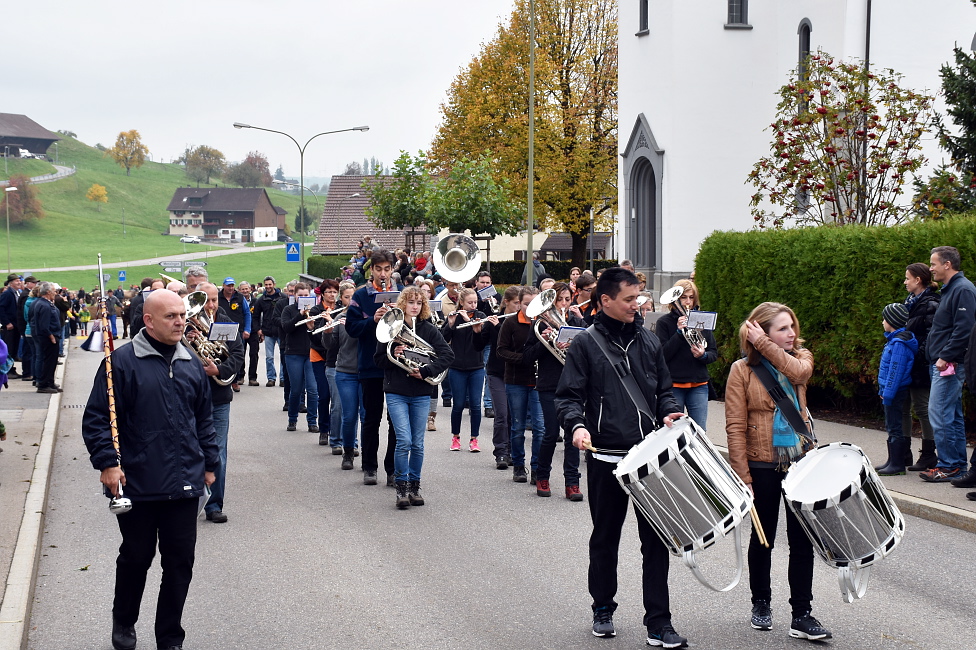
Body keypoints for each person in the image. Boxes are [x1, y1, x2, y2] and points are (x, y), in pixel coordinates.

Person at [555, 267, 688, 647]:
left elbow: (664, 390)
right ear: (605, 301)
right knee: (605, 537)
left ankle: (659, 622)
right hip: (605, 457)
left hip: (648, 457)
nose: (638, 305)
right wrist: (578, 426)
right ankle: (602, 608)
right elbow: (567, 397)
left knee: (656, 542)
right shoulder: (584, 344)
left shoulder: (648, 342)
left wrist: (669, 410)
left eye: (639, 298)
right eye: (629, 299)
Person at [81, 289, 218, 650]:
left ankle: (169, 637)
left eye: (181, 315)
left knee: (179, 565)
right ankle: (124, 621)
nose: (180, 321)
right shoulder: (120, 363)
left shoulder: (190, 361)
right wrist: (108, 463)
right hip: (137, 481)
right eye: (171, 316)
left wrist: (210, 463)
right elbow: (97, 420)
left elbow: (204, 418)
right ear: (148, 321)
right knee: (136, 558)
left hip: (185, 482)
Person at [725, 302, 831, 642]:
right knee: (763, 538)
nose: (792, 333)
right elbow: (735, 426)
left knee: (803, 542)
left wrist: (766, 345)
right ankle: (761, 603)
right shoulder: (741, 371)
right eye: (783, 328)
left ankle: (802, 614)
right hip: (761, 463)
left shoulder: (802, 358)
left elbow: (798, 374)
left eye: (792, 326)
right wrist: (742, 475)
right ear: (762, 333)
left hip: (800, 461)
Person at [375, 286, 453, 508]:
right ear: (403, 304)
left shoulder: (428, 329)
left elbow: (448, 355)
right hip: (396, 391)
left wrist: (426, 371)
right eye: (411, 302)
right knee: (404, 441)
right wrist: (394, 355)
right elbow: (378, 361)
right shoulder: (390, 328)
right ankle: (401, 488)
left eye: (419, 303)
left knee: (417, 443)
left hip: (420, 392)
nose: (415, 306)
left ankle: (414, 486)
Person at [921, 246, 976, 483]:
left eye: (933, 264)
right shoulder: (952, 289)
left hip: (949, 363)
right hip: (945, 362)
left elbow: (965, 328)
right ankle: (956, 465)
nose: (930, 268)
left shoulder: (962, 290)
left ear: (947, 265)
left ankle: (950, 466)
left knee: (940, 413)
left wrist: (945, 356)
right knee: (950, 415)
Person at [527, 282, 585, 500]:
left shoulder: (578, 323)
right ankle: (542, 476)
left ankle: (573, 482)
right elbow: (527, 356)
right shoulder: (541, 325)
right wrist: (547, 342)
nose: (563, 304)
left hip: (574, 385)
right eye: (558, 300)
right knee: (551, 434)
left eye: (567, 299)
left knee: (572, 434)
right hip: (549, 385)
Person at [346, 250, 399, 485]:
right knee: (371, 419)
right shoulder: (360, 295)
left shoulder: (401, 295)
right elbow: (351, 328)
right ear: (372, 270)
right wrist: (373, 320)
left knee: (396, 421)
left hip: (397, 366)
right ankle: (369, 467)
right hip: (370, 365)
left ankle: (393, 469)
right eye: (379, 269)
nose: (383, 273)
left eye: (387, 269)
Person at [194, 283, 245, 523]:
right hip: (190, 398)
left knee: (218, 453)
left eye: (214, 300)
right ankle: (190, 501)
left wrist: (219, 369)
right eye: (207, 301)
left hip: (218, 398)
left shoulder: (225, 321)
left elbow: (237, 355)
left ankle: (214, 504)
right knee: (190, 451)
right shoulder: (186, 323)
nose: (212, 306)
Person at [496, 285, 546, 484]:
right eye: (526, 304)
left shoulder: (543, 323)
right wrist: (523, 358)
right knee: (517, 426)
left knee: (540, 427)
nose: (530, 308)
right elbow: (501, 351)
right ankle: (518, 465)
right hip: (516, 380)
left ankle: (536, 467)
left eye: (534, 304)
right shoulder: (510, 323)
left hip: (538, 381)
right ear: (519, 303)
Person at [655, 280, 718, 429]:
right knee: (675, 431)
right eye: (683, 297)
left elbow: (713, 353)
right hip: (674, 385)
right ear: (676, 299)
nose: (688, 302)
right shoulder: (664, 323)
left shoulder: (700, 320)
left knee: (699, 430)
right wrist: (678, 333)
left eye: (691, 297)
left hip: (699, 385)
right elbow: (662, 355)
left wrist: (703, 355)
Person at [902, 262, 941, 471]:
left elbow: (931, 335)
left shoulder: (931, 303)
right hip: (908, 362)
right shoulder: (910, 302)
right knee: (904, 407)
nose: (905, 282)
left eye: (908, 278)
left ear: (918, 280)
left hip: (921, 363)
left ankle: (928, 454)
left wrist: (918, 354)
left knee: (922, 408)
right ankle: (903, 453)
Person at [441, 288, 488, 452]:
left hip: (476, 367)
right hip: (457, 367)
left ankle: (474, 439)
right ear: (461, 302)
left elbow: (481, 341)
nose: (473, 305)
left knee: (475, 405)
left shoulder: (480, 316)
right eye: (470, 302)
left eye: (475, 302)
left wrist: (474, 326)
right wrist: (451, 325)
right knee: (458, 404)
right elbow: (443, 339)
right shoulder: (454, 317)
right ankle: (456, 437)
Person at [322, 281, 362, 470]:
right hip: (345, 371)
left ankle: (363, 451)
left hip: (366, 372)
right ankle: (348, 450)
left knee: (367, 415)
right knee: (349, 415)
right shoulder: (340, 318)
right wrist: (328, 331)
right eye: (349, 298)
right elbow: (330, 345)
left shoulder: (371, 318)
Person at [875, 304, 918, 475]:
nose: (882, 322)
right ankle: (893, 460)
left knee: (894, 426)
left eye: (884, 319)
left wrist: (887, 394)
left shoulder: (899, 343)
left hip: (895, 391)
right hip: (890, 390)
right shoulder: (895, 340)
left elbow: (895, 372)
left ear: (892, 321)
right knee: (891, 424)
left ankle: (897, 465)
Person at [485, 286, 520, 468]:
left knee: (514, 416)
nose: (519, 306)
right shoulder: (494, 321)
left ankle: (514, 452)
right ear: (506, 302)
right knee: (501, 414)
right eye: (516, 303)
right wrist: (478, 330)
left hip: (515, 373)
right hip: (497, 372)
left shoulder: (521, 321)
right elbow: (479, 345)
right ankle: (501, 452)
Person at [279, 283, 319, 433]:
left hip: (310, 353)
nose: (303, 298)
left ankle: (312, 421)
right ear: (294, 295)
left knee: (313, 389)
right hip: (293, 353)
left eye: (305, 295)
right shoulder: (288, 310)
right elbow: (286, 327)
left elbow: (316, 332)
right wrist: (300, 314)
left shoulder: (314, 310)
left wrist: (312, 326)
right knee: (296, 389)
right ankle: (292, 419)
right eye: (300, 295)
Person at [217, 277, 250, 393]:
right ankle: (222, 377)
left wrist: (247, 329)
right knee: (222, 354)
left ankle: (235, 380)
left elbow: (247, 314)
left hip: (238, 331)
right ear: (223, 286)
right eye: (228, 285)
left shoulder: (240, 297)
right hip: (220, 330)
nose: (231, 288)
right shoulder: (217, 297)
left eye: (232, 285)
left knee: (237, 354)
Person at [31, 282, 61, 393]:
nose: (55, 293)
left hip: (51, 336)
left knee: (52, 361)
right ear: (48, 292)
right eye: (53, 291)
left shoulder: (46, 303)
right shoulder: (44, 305)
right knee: (48, 361)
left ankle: (50, 382)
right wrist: (51, 336)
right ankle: (43, 384)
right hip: (48, 338)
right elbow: (43, 325)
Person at [254, 276, 284, 387]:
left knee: (283, 356)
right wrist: (258, 329)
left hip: (281, 331)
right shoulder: (261, 300)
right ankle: (271, 378)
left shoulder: (283, 297)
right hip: (268, 331)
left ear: (274, 285)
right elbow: (255, 316)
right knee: (269, 357)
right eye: (266, 285)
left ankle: (283, 378)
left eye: (270, 284)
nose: (268, 287)